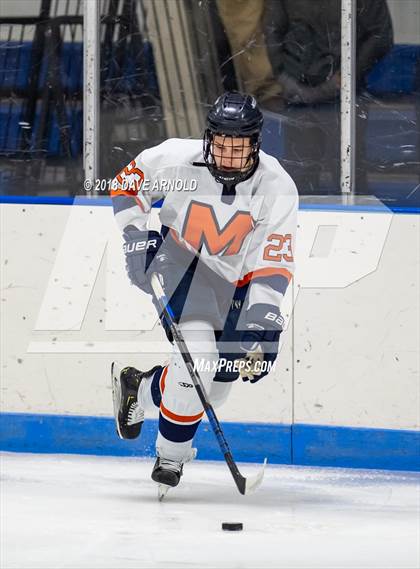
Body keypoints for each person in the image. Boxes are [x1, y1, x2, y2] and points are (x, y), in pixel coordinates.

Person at [110, 92, 298, 493]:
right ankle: (170, 458)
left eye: (240, 147)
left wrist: (263, 318)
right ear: (209, 139)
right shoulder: (178, 159)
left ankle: (141, 389)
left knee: (217, 385)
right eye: (222, 145)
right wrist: (135, 237)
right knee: (198, 359)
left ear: (256, 144)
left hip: (239, 284)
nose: (229, 156)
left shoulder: (277, 185)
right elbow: (127, 186)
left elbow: (273, 260)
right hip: (182, 262)